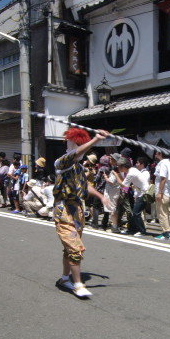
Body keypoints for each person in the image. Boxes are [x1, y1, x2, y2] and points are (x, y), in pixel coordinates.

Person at [53, 127, 110, 298]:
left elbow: (86, 186)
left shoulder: (78, 168)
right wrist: (96, 140)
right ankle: (78, 284)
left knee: (68, 250)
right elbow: (75, 153)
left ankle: (65, 279)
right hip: (63, 211)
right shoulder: (61, 162)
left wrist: (101, 197)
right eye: (78, 145)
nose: (80, 149)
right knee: (75, 248)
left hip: (77, 211)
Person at [116, 156, 151, 236]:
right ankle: (131, 229)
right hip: (141, 193)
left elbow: (123, 186)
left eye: (119, 166)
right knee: (134, 212)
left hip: (144, 193)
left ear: (124, 166)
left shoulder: (131, 173)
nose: (118, 168)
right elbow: (125, 182)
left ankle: (142, 231)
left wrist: (116, 175)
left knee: (136, 212)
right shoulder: (133, 170)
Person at [154, 149, 170, 240]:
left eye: (156, 153)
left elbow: (163, 179)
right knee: (166, 213)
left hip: (163, 192)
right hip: (168, 192)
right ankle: (169, 231)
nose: (155, 154)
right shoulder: (168, 163)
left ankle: (165, 232)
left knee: (162, 213)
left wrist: (159, 192)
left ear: (160, 154)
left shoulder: (162, 163)